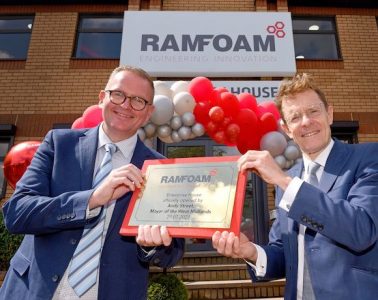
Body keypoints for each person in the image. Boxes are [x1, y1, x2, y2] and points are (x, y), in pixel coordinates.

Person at [0, 65, 185, 300]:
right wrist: (92, 199)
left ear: (149, 112)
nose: (126, 105)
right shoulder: (59, 144)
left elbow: (173, 252)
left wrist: (153, 245)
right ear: (102, 98)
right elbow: (17, 214)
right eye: (118, 94)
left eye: (138, 100)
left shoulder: (160, 169)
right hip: (34, 290)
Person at [212, 73, 378, 299]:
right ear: (286, 128)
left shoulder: (368, 157)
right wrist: (250, 251)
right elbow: (285, 254)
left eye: (313, 111)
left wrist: (284, 182)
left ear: (329, 113)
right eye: (295, 117)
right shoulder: (289, 181)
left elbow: (361, 230)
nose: (306, 122)